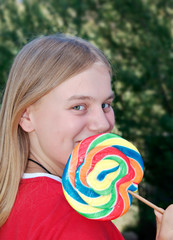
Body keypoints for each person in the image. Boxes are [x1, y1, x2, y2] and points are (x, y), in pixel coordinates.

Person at [0, 34, 124, 239]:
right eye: (78, 106)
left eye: (105, 105)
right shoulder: (74, 216)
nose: (103, 123)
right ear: (26, 116)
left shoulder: (12, 200)